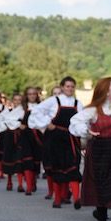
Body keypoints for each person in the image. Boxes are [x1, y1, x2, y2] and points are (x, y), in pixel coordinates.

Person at [70, 77, 111, 221]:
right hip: (100, 150)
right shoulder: (94, 109)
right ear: (104, 90)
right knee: (101, 187)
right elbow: (75, 121)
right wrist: (86, 131)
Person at [29, 76, 84, 208]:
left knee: (73, 166)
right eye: (67, 86)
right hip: (56, 138)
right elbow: (36, 111)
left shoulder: (78, 103)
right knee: (57, 167)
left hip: (71, 137)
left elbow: (82, 120)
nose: (70, 89)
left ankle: (77, 198)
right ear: (62, 87)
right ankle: (57, 198)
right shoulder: (54, 101)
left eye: (72, 86)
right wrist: (46, 123)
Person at [0, 93, 25, 192]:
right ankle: (9, 182)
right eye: (15, 99)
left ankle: (20, 184)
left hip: (19, 136)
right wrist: (5, 126)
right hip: (9, 136)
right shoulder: (8, 111)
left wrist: (16, 124)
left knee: (19, 158)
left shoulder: (23, 111)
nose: (17, 101)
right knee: (9, 157)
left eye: (19, 100)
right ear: (12, 101)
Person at [16, 87, 43, 195]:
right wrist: (19, 125)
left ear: (36, 95)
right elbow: (9, 118)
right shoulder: (22, 108)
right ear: (26, 96)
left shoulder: (41, 107)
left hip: (37, 135)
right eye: (29, 94)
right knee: (27, 159)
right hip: (26, 136)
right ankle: (28, 186)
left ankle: (33, 181)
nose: (32, 96)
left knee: (36, 160)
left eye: (33, 94)